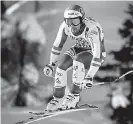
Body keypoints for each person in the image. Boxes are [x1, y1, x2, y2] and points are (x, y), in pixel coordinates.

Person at [43, 4, 106, 112]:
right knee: (61, 66)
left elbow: (97, 54)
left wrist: (89, 76)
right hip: (79, 48)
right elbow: (57, 45)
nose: (72, 25)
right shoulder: (64, 27)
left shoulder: (91, 29)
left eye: (75, 21)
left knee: (78, 59)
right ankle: (58, 99)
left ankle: (74, 96)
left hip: (96, 54)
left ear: (81, 20)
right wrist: (51, 64)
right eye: (68, 21)